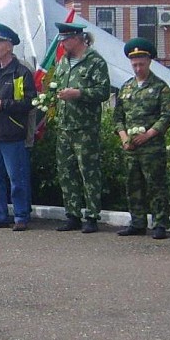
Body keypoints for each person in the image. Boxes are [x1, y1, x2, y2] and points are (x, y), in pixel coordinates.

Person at [52, 22, 111, 234]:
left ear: (77, 38)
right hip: (65, 126)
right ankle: (73, 214)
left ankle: (92, 216)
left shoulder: (95, 61)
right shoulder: (63, 62)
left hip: (85, 128)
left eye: (65, 40)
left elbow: (104, 91)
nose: (63, 44)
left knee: (89, 172)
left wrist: (79, 94)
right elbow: (57, 87)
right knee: (66, 172)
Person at [113, 39, 170, 239]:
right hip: (130, 148)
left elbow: (167, 115)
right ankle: (137, 221)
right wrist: (123, 137)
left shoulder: (160, 87)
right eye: (134, 64)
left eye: (141, 64)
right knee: (133, 184)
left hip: (152, 147)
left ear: (149, 62)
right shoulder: (126, 87)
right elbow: (118, 117)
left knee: (156, 185)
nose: (138, 68)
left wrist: (148, 134)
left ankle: (159, 223)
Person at [0, 24, 36, 232]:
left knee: (16, 176)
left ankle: (21, 215)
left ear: (10, 46)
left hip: (12, 133)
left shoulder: (21, 72)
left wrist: (3, 105)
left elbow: (30, 102)